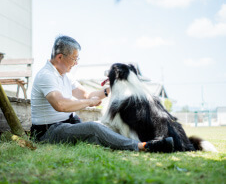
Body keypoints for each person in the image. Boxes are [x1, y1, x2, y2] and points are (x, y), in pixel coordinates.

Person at [30, 35, 174, 153]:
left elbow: (86, 95)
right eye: (74, 58)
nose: (76, 63)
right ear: (60, 57)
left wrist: (110, 89)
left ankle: (150, 143)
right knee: (94, 127)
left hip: (67, 125)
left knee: (102, 133)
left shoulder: (66, 76)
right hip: (49, 132)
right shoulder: (46, 75)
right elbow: (60, 105)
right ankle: (143, 146)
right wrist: (89, 103)